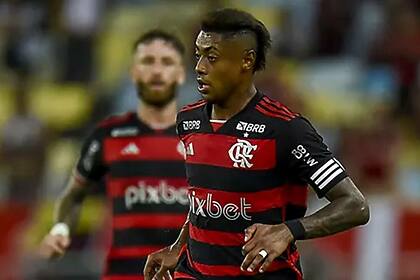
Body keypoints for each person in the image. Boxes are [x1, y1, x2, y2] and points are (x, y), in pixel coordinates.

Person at [144, 9, 370, 280]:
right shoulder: (188, 120)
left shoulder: (286, 129)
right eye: (198, 55)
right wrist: (178, 246)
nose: (199, 67)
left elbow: (355, 206)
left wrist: (288, 230)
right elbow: (203, 203)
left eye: (212, 57)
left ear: (246, 61)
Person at [39, 30, 190, 279]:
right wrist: (61, 229)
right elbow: (76, 193)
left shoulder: (203, 136)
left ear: (181, 74)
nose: (157, 71)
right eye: (148, 62)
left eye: (167, 62)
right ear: (134, 73)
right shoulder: (109, 136)